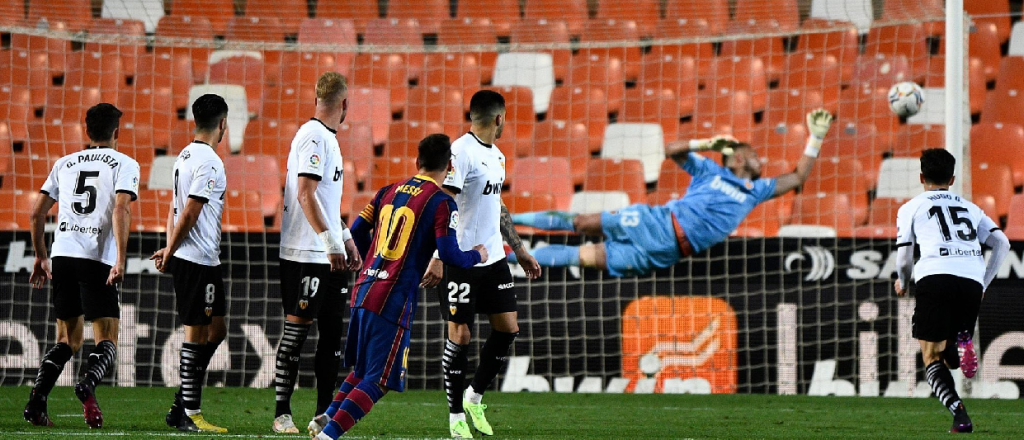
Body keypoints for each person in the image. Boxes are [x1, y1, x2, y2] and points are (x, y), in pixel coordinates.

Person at [309, 133, 488, 439]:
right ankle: (329, 436)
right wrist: (477, 255)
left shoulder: (387, 191)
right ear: (449, 167)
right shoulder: (442, 202)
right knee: (379, 380)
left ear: (417, 162)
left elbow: (355, 229)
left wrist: (373, 262)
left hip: (364, 288)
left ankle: (326, 419)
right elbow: (448, 255)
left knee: (364, 369)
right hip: (392, 297)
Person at [512, 109, 835, 278]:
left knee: (580, 257)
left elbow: (796, 176)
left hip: (666, 253)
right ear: (737, 157)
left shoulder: (756, 190)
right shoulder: (711, 170)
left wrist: (815, 138)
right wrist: (705, 144)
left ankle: (499, 254)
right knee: (582, 223)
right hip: (659, 223)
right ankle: (508, 218)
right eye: (753, 153)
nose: (759, 159)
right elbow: (671, 150)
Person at [419, 90, 541, 438]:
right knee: (461, 335)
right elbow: (444, 203)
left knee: (508, 328)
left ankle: (473, 396)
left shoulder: (498, 156)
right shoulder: (461, 152)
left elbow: (496, 206)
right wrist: (439, 256)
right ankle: (456, 416)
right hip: (458, 257)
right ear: (499, 118)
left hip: (494, 257)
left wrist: (518, 248)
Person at [23, 103, 140, 429]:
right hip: (96, 259)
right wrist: (119, 259)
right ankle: (87, 383)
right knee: (107, 341)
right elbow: (121, 210)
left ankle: (36, 402)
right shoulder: (126, 163)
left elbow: (36, 214)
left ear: (87, 132)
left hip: (62, 256)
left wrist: (41, 256)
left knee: (67, 340)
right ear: (117, 132)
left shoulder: (64, 163)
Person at [893, 148, 1010, 433]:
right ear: (953, 178)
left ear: (921, 177)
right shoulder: (971, 208)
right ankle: (962, 338)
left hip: (935, 276)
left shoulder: (911, 207)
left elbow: (904, 258)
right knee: (948, 360)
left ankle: (960, 415)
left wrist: (903, 282)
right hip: (970, 279)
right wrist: (983, 282)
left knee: (931, 357)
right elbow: (1002, 243)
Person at [272, 71, 362, 434]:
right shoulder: (312, 136)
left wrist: (347, 239)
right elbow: (305, 194)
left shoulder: (328, 139)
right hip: (306, 253)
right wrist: (329, 244)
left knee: (331, 334)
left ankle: (323, 413)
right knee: (297, 330)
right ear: (344, 104)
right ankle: (282, 413)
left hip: (329, 253)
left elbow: (325, 200)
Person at [150, 94, 230, 433]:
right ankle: (190, 414)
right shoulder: (210, 161)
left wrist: (170, 247)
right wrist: (171, 250)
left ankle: (182, 403)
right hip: (196, 258)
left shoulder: (183, 155)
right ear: (223, 124)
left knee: (217, 329)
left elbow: (172, 208)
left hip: (200, 257)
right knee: (197, 334)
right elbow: (190, 211)